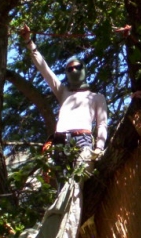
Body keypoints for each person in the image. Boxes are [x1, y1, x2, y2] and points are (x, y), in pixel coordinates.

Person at [20, 24, 108, 178]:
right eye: (69, 69)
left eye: (77, 67)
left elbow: (102, 124)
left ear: (84, 69)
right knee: (62, 184)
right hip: (60, 141)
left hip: (83, 140)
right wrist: (29, 42)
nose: (73, 70)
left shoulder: (97, 97)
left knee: (77, 185)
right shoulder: (63, 92)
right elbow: (44, 69)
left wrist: (99, 147)